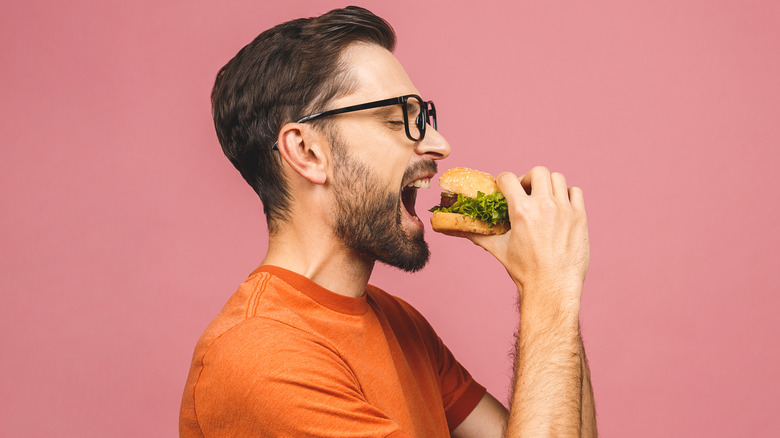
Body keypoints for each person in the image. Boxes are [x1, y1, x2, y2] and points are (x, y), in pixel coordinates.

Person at [180, 6, 596, 437]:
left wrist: (558, 289)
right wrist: (548, 292)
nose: (439, 144)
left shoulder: (400, 324)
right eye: (399, 119)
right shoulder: (262, 358)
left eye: (425, 119)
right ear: (306, 151)